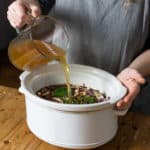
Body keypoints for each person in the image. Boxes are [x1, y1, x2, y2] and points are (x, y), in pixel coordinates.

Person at [7, 0, 150, 113]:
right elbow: (36, 8)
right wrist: (24, 9)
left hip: (118, 96)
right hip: (52, 85)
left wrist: (135, 70)